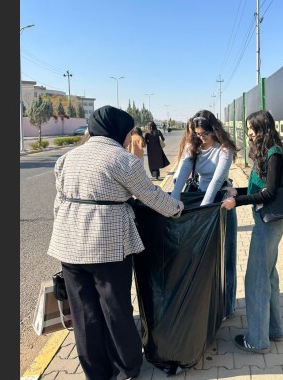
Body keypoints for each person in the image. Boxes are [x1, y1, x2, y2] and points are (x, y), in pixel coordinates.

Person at [47, 106, 184, 380]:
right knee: (116, 309)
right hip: (107, 247)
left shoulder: (67, 159)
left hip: (68, 246)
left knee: (83, 313)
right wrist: (178, 208)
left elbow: (58, 203)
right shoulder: (123, 160)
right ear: (119, 132)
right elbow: (151, 196)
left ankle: (96, 372)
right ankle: (126, 368)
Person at [220, 109, 283, 353]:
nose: (249, 133)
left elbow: (269, 193)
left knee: (256, 280)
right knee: (269, 277)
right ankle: (274, 330)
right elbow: (257, 187)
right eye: (248, 129)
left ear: (263, 128)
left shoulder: (274, 154)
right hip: (266, 222)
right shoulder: (269, 152)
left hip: (268, 224)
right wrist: (236, 192)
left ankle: (257, 340)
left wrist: (236, 202)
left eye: (252, 128)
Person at [170, 109, 240, 318]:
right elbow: (181, 175)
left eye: (204, 134)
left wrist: (205, 210)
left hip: (219, 203)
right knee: (201, 256)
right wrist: (173, 202)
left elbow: (217, 181)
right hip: (200, 201)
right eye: (197, 134)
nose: (201, 138)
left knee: (226, 255)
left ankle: (228, 306)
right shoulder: (194, 147)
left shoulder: (224, 150)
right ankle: (205, 301)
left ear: (214, 130)